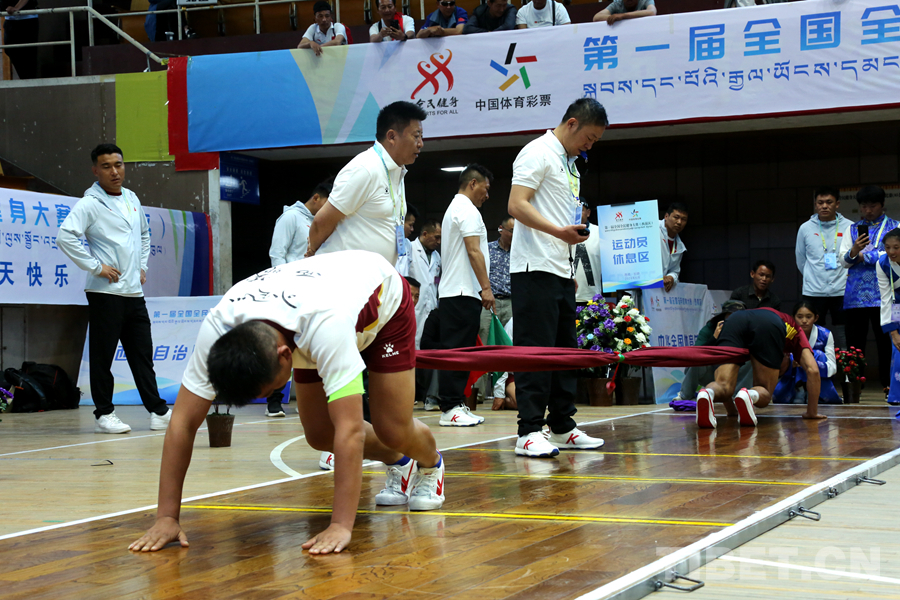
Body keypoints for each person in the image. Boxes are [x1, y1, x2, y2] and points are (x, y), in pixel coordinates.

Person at [128, 251, 445, 556]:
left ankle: (431, 464)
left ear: (284, 357)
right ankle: (399, 461)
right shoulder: (218, 327)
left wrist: (340, 525)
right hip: (308, 310)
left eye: (271, 389)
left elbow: (350, 430)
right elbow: (182, 422)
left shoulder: (327, 325)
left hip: (381, 302)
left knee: (392, 428)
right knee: (320, 434)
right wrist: (166, 517)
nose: (272, 395)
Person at [507, 98, 607, 457]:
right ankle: (528, 431)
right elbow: (516, 204)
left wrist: (568, 264)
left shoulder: (569, 163)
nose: (589, 145)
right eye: (589, 138)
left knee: (566, 353)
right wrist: (558, 233)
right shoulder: (537, 152)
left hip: (561, 270)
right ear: (572, 123)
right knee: (536, 353)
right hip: (533, 269)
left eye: (595, 141)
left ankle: (562, 425)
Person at [57, 144, 171, 434]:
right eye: (106, 166)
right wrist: (96, 267)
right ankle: (104, 414)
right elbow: (65, 236)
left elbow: (144, 234)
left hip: (133, 293)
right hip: (105, 293)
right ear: (95, 170)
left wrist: (142, 267)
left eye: (118, 164)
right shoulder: (90, 203)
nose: (114, 171)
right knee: (103, 357)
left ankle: (158, 411)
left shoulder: (131, 197)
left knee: (142, 356)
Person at [306, 101, 425, 265]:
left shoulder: (396, 172)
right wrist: (312, 254)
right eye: (416, 136)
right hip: (345, 273)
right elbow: (321, 223)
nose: (421, 144)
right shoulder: (365, 168)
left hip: (375, 274)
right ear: (391, 136)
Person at [696, 307, 827, 428]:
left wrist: (732, 411)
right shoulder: (796, 331)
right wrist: (812, 413)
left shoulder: (756, 315)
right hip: (768, 323)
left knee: (723, 384)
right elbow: (813, 370)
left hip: (734, 320)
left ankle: (708, 393)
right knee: (764, 391)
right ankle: (749, 395)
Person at [437, 164, 494, 427]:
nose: (487, 195)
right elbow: (474, 251)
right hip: (460, 292)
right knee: (456, 352)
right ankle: (449, 407)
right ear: (473, 183)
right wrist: (486, 288)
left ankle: (456, 403)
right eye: (486, 188)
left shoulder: (457, 208)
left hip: (461, 292)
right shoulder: (467, 209)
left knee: (462, 352)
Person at [839, 185, 898, 399]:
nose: (868, 210)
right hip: (855, 296)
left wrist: (865, 256)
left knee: (886, 343)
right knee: (855, 344)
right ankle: (855, 387)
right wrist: (855, 250)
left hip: (885, 295)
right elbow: (843, 260)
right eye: (864, 206)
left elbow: (892, 255)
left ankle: (889, 385)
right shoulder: (852, 229)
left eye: (872, 206)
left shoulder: (895, 227)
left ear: (882, 205)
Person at [795, 186, 851, 350]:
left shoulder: (849, 226)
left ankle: (847, 365)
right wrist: (812, 276)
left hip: (842, 290)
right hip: (813, 291)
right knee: (813, 332)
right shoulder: (805, 228)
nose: (824, 206)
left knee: (844, 332)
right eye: (820, 202)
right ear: (815, 204)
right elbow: (801, 259)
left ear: (837, 204)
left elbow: (852, 257)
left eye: (829, 202)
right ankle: (814, 364)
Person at [676, 300, 751, 401]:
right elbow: (696, 353)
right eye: (731, 316)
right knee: (697, 360)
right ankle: (685, 395)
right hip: (713, 373)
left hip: (737, 375)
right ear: (723, 317)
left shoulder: (749, 329)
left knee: (753, 360)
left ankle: (738, 396)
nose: (734, 321)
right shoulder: (710, 328)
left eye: (738, 317)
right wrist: (714, 338)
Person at [773, 301, 841, 405]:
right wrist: (790, 363)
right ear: (793, 318)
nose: (804, 321)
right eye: (800, 317)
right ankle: (799, 390)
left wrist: (809, 364)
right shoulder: (786, 333)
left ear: (816, 318)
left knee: (817, 354)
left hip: (818, 376)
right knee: (791, 356)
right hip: (791, 378)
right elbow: (776, 365)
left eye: (809, 317)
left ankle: (811, 392)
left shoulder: (825, 334)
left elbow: (832, 368)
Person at [269, 180, 331, 267]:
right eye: (326, 204)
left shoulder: (320, 223)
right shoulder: (291, 216)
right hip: (292, 273)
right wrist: (283, 275)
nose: (328, 208)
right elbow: (277, 253)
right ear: (316, 198)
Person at [875, 228, 900, 406]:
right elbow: (886, 298)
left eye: (896, 247)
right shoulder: (882, 263)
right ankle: (897, 396)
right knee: (898, 350)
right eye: (888, 247)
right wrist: (893, 332)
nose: (891, 252)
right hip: (897, 310)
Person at [409, 218, 442, 348]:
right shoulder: (410, 249)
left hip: (430, 307)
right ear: (425, 234)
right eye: (436, 237)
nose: (439, 242)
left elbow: (435, 281)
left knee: (427, 344)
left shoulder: (437, 256)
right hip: (414, 305)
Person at [573, 201, 602, 308]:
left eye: (580, 210)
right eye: (573, 209)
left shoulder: (599, 232)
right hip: (566, 296)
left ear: (588, 212)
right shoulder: (561, 232)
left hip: (592, 297)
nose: (576, 212)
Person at [3, 0, 39, 79]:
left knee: (28, 54)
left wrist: (16, 7)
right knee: (9, 50)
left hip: (27, 20)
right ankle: (25, 78)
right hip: (10, 20)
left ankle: (29, 79)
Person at [660, 202, 688, 293]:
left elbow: (675, 271)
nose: (679, 222)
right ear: (666, 216)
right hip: (639, 286)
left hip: (660, 291)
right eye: (676, 217)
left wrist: (671, 277)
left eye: (683, 219)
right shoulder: (652, 228)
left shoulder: (679, 245)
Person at [395, 204, 419, 277]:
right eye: (410, 225)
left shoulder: (408, 244)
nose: (412, 229)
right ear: (401, 222)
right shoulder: (387, 240)